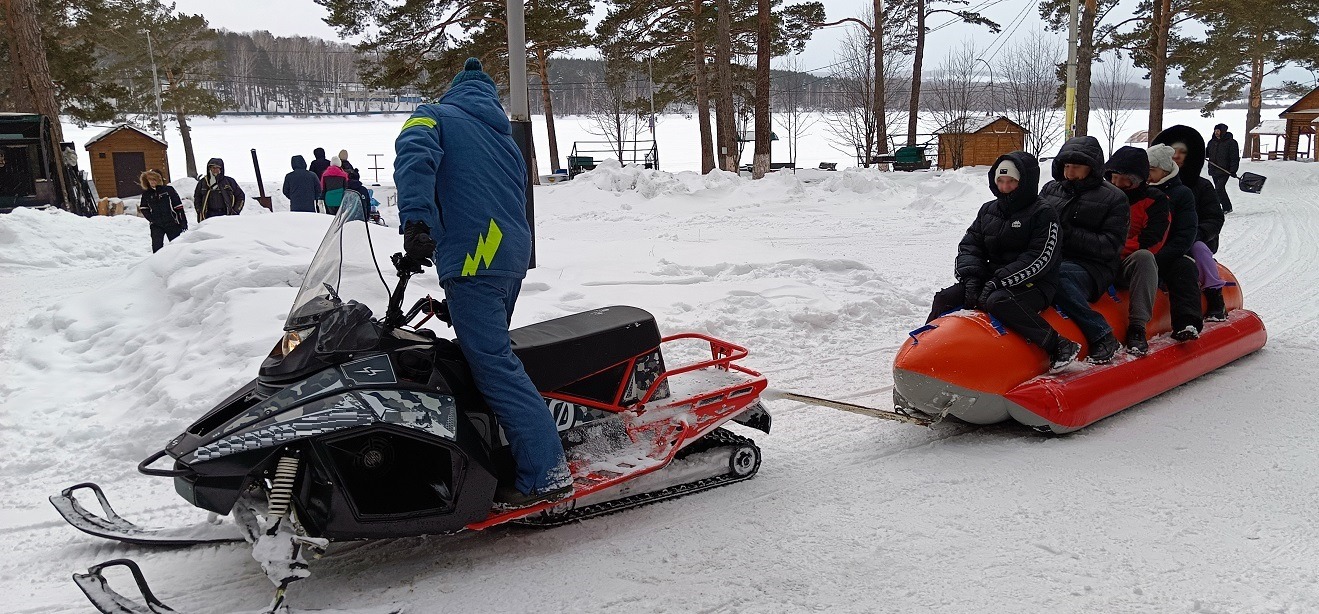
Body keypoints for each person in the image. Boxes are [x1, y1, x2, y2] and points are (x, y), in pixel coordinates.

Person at [394, 57, 571, 509]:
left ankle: (545, 472)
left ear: (453, 91)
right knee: (485, 360)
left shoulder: (431, 113)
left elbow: (414, 155)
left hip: (474, 257)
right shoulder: (503, 137)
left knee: (493, 365)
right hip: (509, 256)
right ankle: (494, 455)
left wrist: (416, 222)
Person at [926, 151, 1079, 372]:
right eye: (1001, 181)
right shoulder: (988, 210)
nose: (1005, 187)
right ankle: (929, 349)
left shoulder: (1043, 213)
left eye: (1011, 182)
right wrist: (972, 278)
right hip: (993, 278)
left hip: (1035, 284)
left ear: (1024, 183)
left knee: (999, 302)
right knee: (945, 298)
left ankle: (1058, 344)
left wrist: (999, 281)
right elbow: (970, 245)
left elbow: (1039, 258)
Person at [1036, 135, 1129, 364]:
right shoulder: (1050, 190)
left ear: (1092, 168)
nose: (1070, 173)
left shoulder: (1114, 198)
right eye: (1066, 166)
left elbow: (1111, 245)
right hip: (1051, 257)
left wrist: (1067, 232)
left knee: (1055, 278)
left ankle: (1101, 334)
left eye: (1076, 167)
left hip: (1093, 266)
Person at [1103, 147, 1171, 356]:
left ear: (1138, 180)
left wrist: (1112, 247)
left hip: (1126, 262)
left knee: (1144, 258)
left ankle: (1137, 326)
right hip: (1095, 260)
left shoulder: (1155, 201)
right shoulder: (1100, 196)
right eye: (1114, 178)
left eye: (1124, 180)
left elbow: (1152, 240)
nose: (1117, 184)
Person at [1160, 129, 1229, 322]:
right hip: (1165, 238)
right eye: (1173, 151)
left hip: (1197, 238)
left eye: (1182, 152)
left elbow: (1215, 218)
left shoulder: (1202, 186)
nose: (1177, 156)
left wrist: (1198, 233)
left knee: (1197, 249)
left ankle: (1215, 296)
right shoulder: (1154, 185)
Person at [1145, 143, 1202, 341]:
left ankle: (1187, 322)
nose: (1147, 175)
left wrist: (1158, 258)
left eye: (1152, 170)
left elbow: (1185, 234)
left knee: (1183, 269)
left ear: (1165, 170)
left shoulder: (1181, 194)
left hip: (1169, 254)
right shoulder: (1137, 190)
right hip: (1139, 252)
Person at [138, 169, 188, 252]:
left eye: (154, 179)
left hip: (172, 223)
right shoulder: (146, 194)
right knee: (157, 248)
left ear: (159, 180)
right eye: (150, 180)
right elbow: (143, 208)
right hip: (156, 225)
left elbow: (178, 206)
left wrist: (183, 222)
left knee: (177, 247)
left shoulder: (168, 190)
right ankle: (158, 264)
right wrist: (152, 219)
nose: (152, 182)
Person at [1205, 123, 1240, 214]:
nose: (1216, 133)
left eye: (1218, 131)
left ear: (1223, 131)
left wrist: (1233, 170)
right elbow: (1207, 153)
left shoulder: (1231, 143)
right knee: (1220, 189)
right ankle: (1227, 207)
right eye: (1215, 131)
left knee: (1219, 189)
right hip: (1214, 170)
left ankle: (1223, 207)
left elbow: (1234, 158)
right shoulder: (1212, 142)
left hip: (1225, 170)